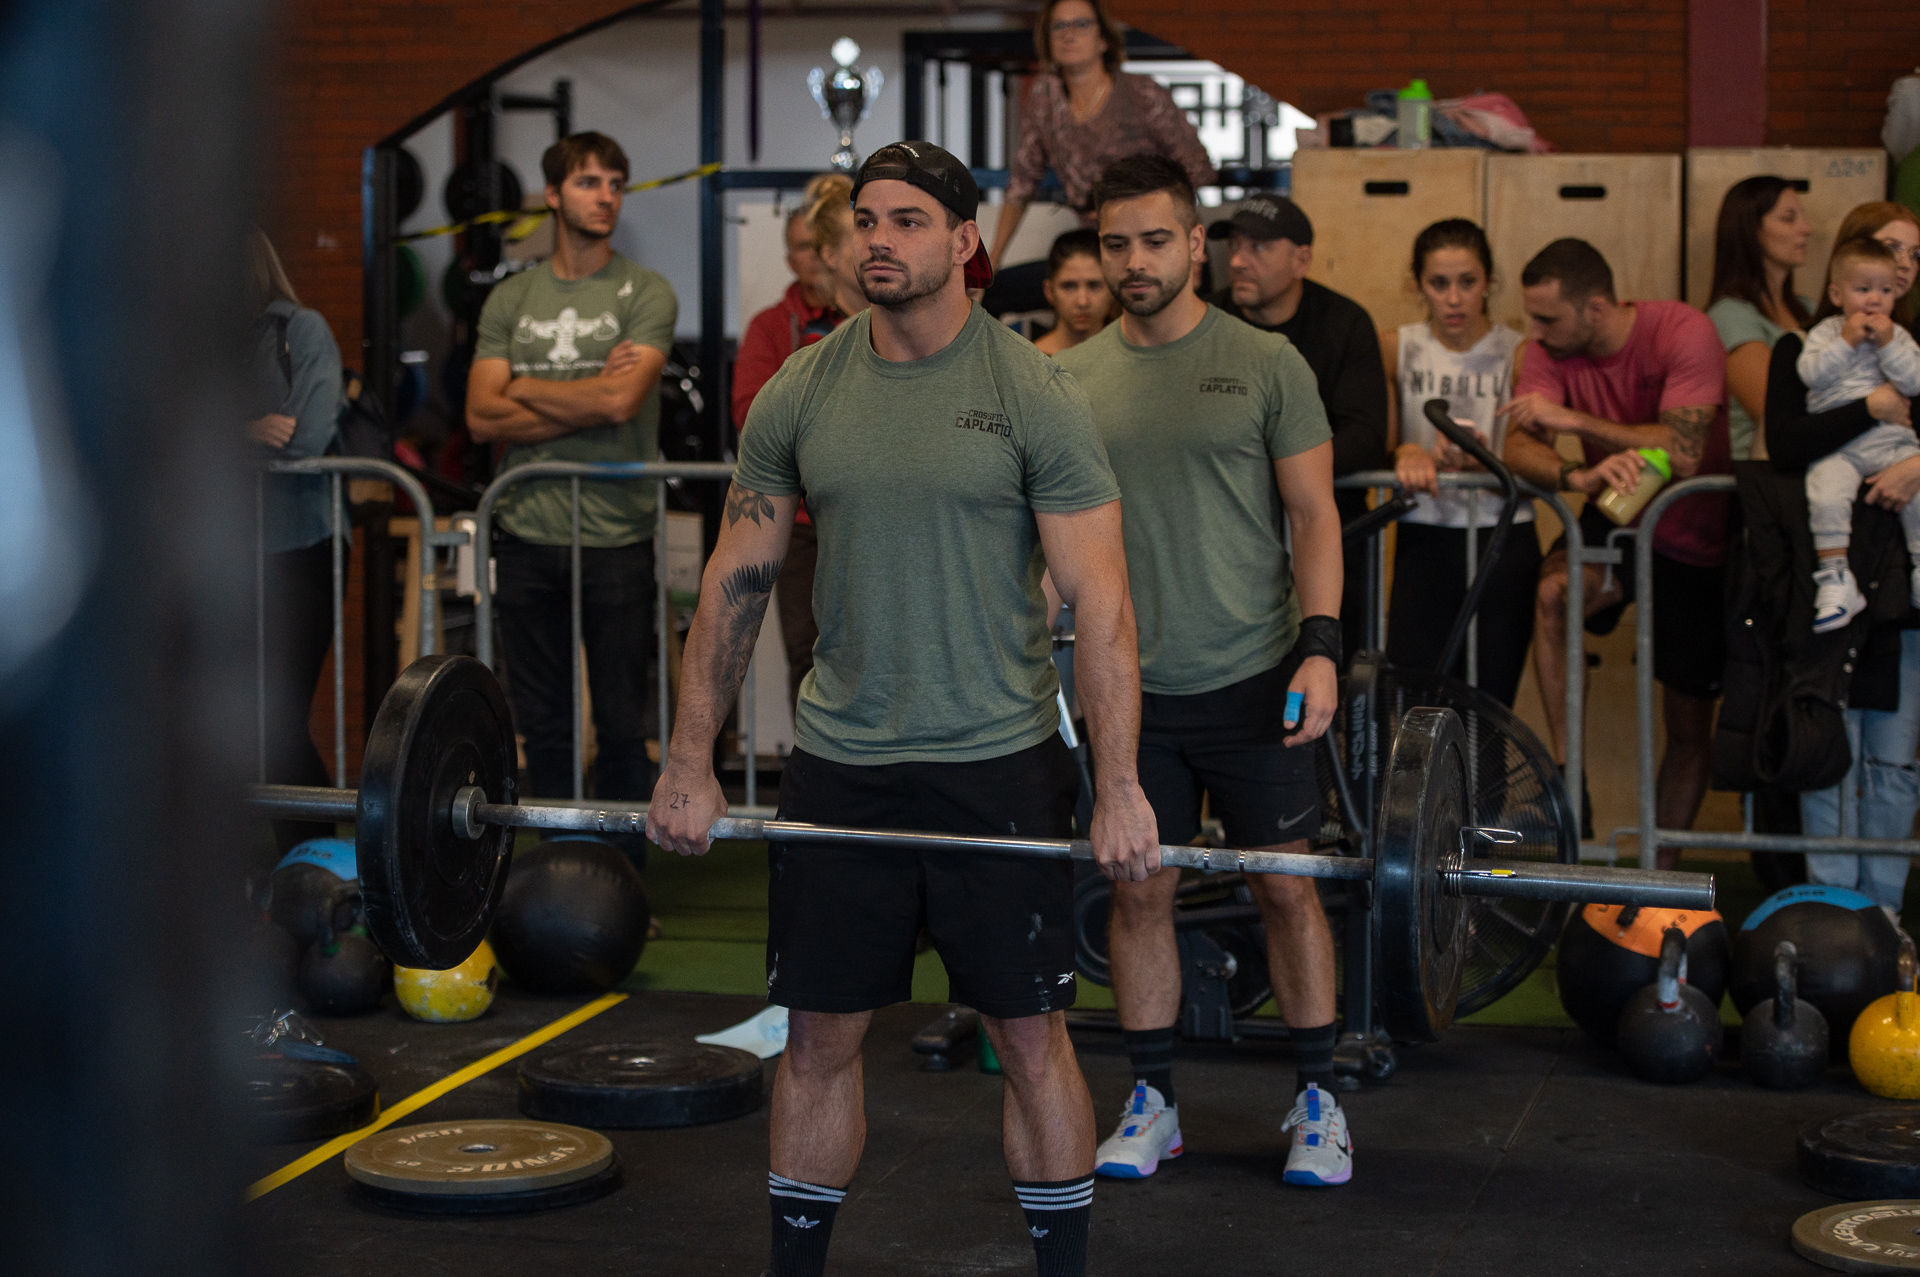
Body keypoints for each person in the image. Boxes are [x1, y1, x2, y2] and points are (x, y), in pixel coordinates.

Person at [645, 141, 1160, 1277]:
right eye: (867, 220)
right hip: (841, 762)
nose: (879, 238)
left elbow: (1102, 601)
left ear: (966, 243)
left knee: (1031, 1038)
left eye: (909, 220)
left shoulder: (1035, 391)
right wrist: (691, 757)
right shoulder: (802, 388)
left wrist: (1117, 786)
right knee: (820, 1038)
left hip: (998, 760)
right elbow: (734, 580)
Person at [1054, 153, 1351, 1186]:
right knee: (1140, 891)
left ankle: (1318, 1096)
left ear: (1195, 243)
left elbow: (1314, 516)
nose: (1132, 261)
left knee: (1287, 889)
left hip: (1257, 673)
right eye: (1113, 243)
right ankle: (1154, 1100)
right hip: (1130, 688)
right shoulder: (1072, 379)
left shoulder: (1267, 363)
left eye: (1151, 240)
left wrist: (1322, 645)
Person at [465, 132, 675, 832]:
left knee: (620, 723)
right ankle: (551, 867)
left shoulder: (645, 291)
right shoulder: (512, 297)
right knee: (543, 724)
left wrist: (523, 386)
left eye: (616, 182)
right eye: (589, 182)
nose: (606, 195)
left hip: (616, 531)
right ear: (553, 195)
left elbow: (621, 403)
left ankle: (620, 876)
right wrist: (584, 391)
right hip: (525, 528)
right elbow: (476, 413)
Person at [1500, 239, 1731, 858]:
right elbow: (1516, 447)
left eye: (1548, 317)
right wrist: (1575, 476)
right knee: (1554, 595)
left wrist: (1576, 424)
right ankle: (1569, 779)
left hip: (1694, 531)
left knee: (1688, 725)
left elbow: (1682, 451)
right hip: (1616, 513)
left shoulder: (1684, 331)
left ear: (1596, 308)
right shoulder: (1549, 351)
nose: (1535, 332)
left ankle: (1657, 874)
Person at [1765, 201, 1920, 920]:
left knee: (1892, 762)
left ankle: (1883, 908)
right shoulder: (1806, 345)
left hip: (1902, 590)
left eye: (1912, 259)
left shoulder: (1910, 344)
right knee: (1830, 748)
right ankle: (1832, 913)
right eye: (1887, 252)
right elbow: (1790, 442)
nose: (1898, 269)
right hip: (1835, 574)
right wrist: (1876, 409)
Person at [1207, 195, 1389, 663]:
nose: (1240, 261)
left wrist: (1272, 462)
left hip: (1334, 532)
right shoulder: (1207, 321)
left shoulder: (1344, 323)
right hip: (1231, 540)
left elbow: (1366, 437)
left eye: (1260, 248)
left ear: (1301, 258)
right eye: (1235, 247)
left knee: (1338, 676)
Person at [1383, 219, 1535, 706]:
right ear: (1418, 284)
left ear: (1489, 281)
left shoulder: (1519, 352)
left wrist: (1485, 465)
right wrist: (1408, 451)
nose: (1453, 299)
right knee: (1412, 690)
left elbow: (1538, 458)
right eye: (1439, 283)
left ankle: (1483, 786)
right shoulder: (1399, 346)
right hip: (1426, 530)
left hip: (1502, 529)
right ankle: (1417, 786)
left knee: (1490, 696)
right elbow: (1384, 442)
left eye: (1467, 283)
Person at [985, 0, 1214, 314]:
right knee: (994, 291)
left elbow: (1196, 169)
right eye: (1059, 26)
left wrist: (1188, 248)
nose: (1069, 34)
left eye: (1080, 24)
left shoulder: (1141, 92)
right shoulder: (1045, 97)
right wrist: (993, 258)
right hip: (1096, 244)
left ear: (1104, 38)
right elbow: (1023, 182)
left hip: (1156, 239)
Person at [732, 174, 862, 710]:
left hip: (882, 510)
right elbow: (754, 420)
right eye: (805, 247)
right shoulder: (774, 328)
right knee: (809, 655)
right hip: (806, 523)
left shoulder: (898, 320)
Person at [247, 228, 345, 854]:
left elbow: (304, 439)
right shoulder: (181, 337)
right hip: (225, 555)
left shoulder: (300, 330)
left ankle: (317, 863)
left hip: (301, 549)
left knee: (276, 720)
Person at [1798, 238, 1920, 631]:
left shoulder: (1899, 337)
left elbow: (1915, 381)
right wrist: (1847, 342)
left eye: (1884, 291)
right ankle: (1835, 577)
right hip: (1840, 448)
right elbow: (1811, 375)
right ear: (1837, 294)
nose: (1874, 301)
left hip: (1892, 443)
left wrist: (1886, 344)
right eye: (1863, 289)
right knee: (1825, 493)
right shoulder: (1824, 334)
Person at [1705, 176, 1813, 461]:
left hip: (1812, 462)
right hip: (1761, 477)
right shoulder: (1730, 315)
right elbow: (1774, 411)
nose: (1806, 229)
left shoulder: (1808, 308)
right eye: (1789, 219)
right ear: (1750, 230)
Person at [1033, 229, 1110, 355]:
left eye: (1094, 286)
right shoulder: (1031, 363)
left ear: (1112, 289)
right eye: (1069, 286)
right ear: (1049, 291)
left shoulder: (1132, 357)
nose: (1083, 302)